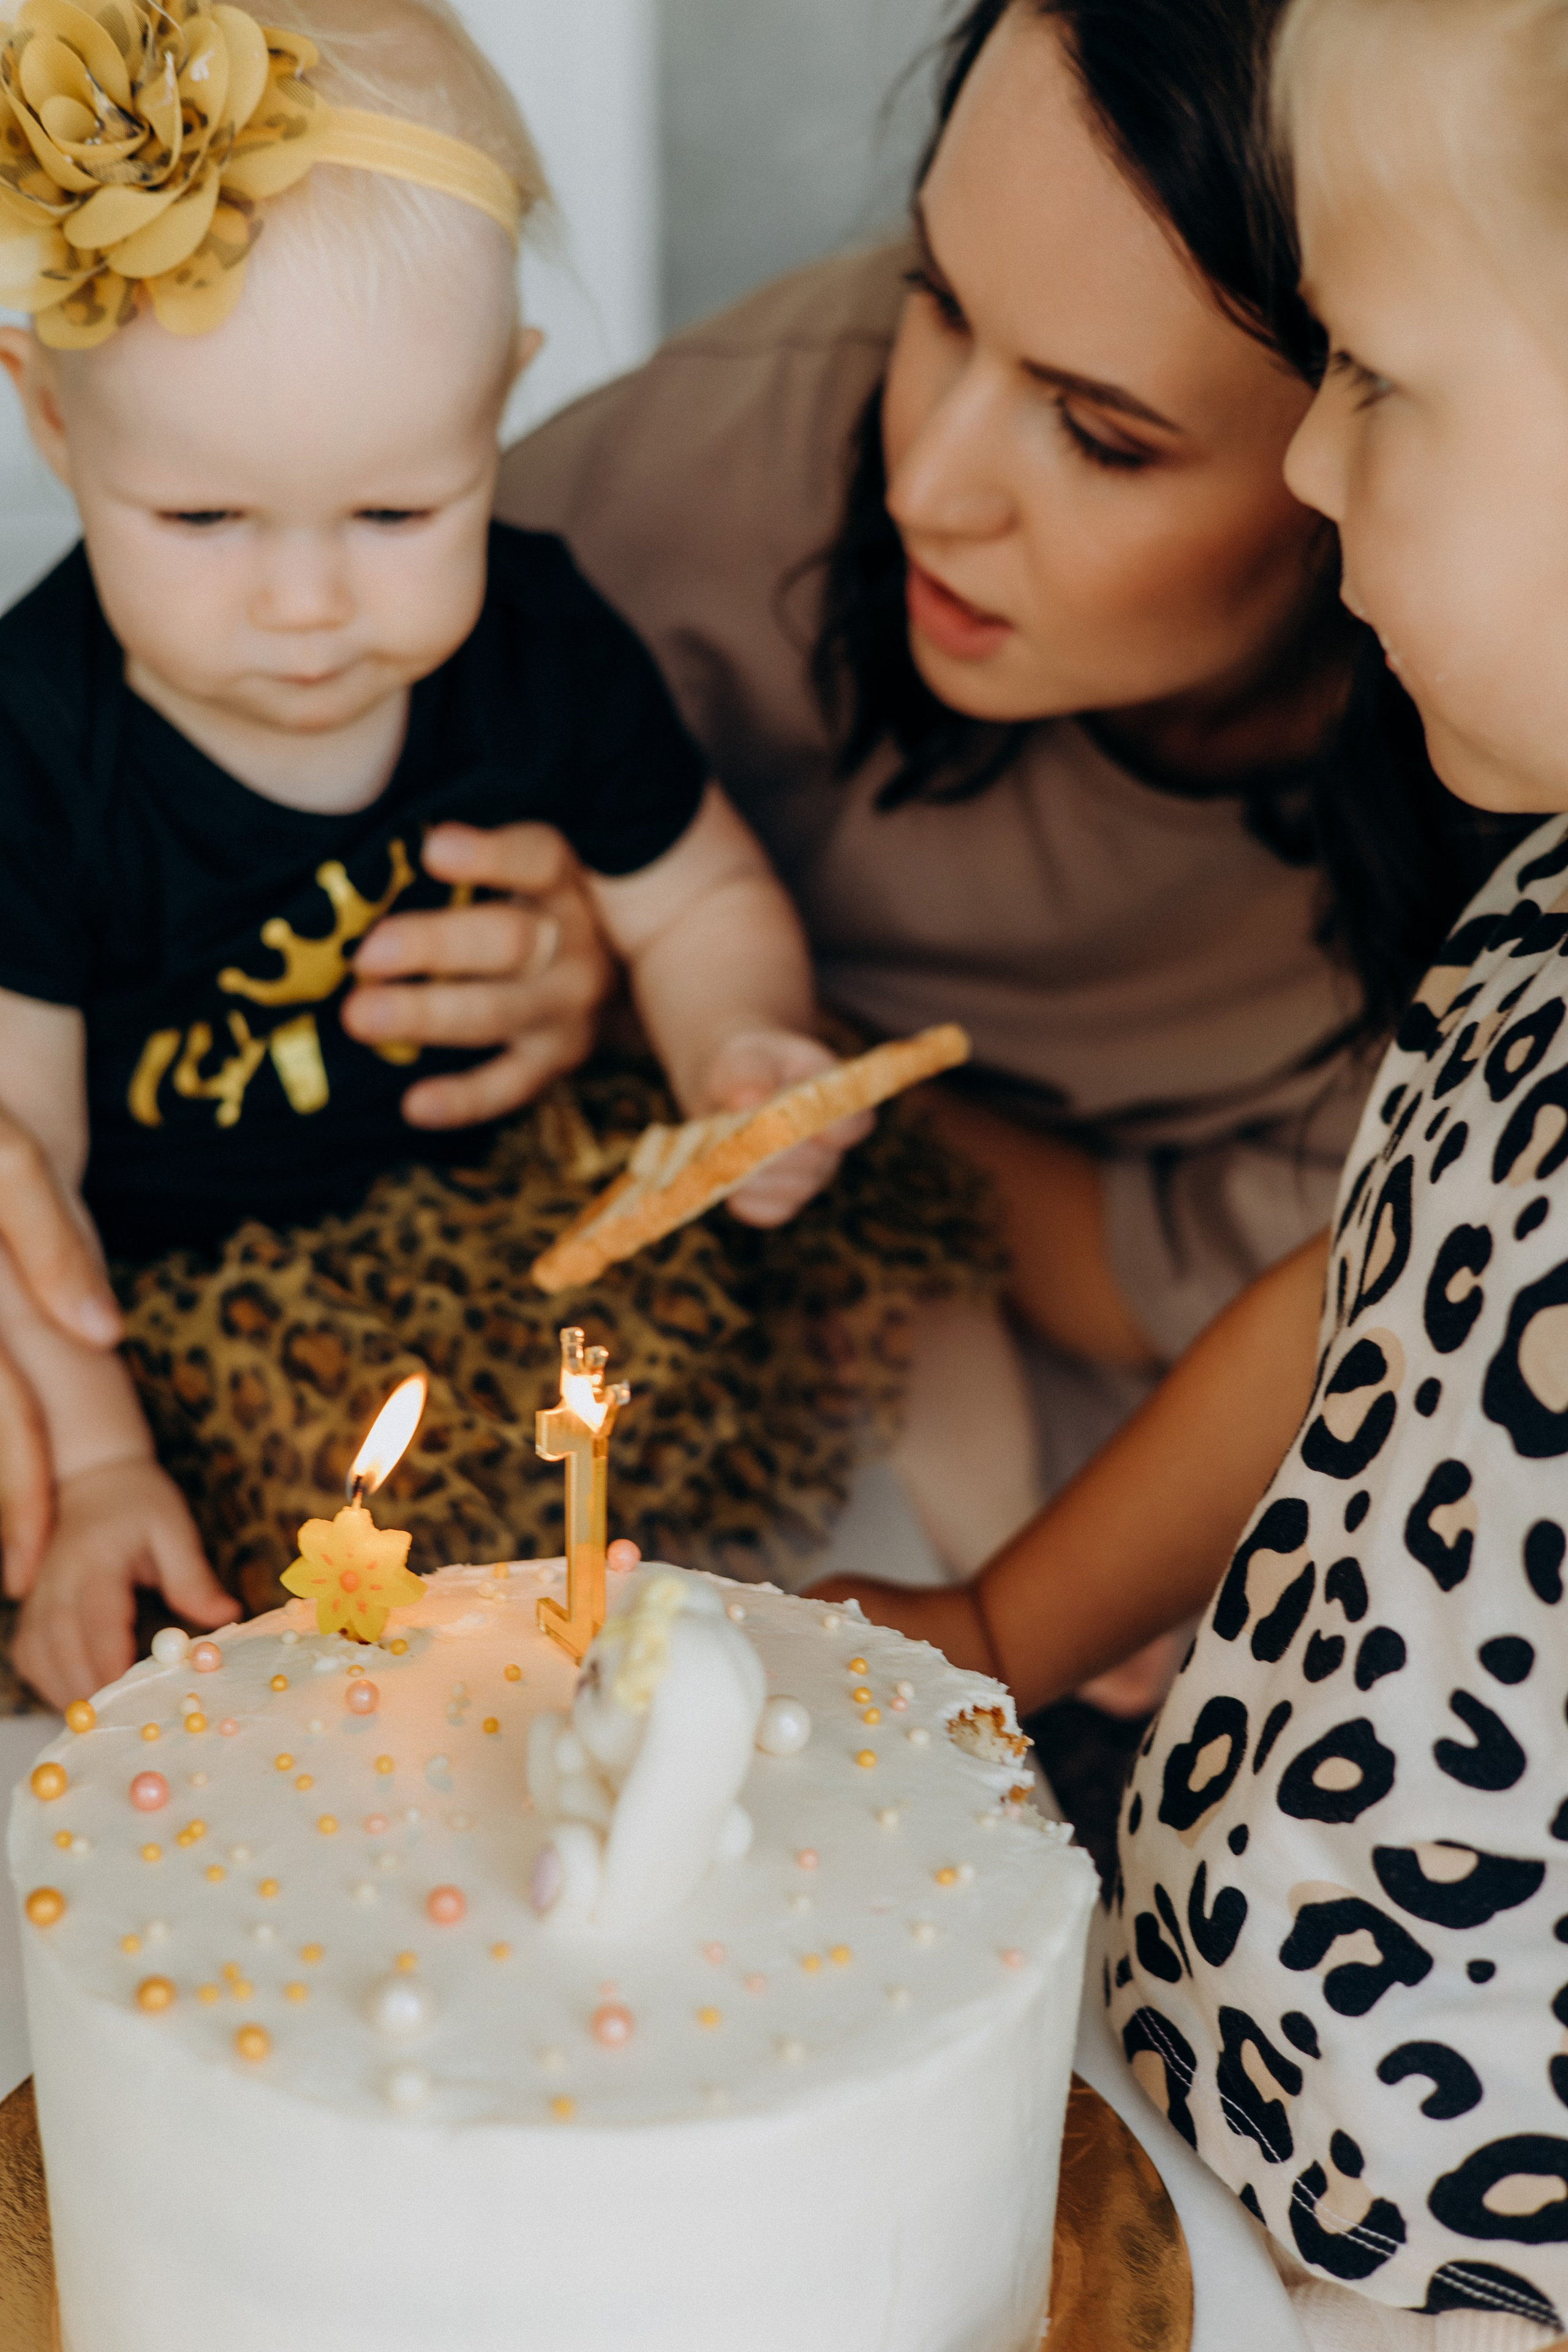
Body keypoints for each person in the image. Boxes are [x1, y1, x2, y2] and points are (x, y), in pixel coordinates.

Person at [826, 0, 1568, 2334]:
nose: (1314, 465)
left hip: (1450, 2260)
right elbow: (1364, 1301)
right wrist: (1002, 1636)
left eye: (1380, 378)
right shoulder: (1540, 901)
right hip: (1175, 2036)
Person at [0, 0, 989, 1712]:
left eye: (397, 514)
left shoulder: (539, 636)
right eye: (204, 520)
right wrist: (95, 1470)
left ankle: (990, 1638)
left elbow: (695, 897)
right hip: (196, 1295)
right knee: (333, 1572)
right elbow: (33, 1197)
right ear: (54, 420)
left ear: (501, 406)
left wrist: (735, 1042)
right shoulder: (33, 741)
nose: (306, 606)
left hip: (515, 1205)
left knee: (883, 1256)